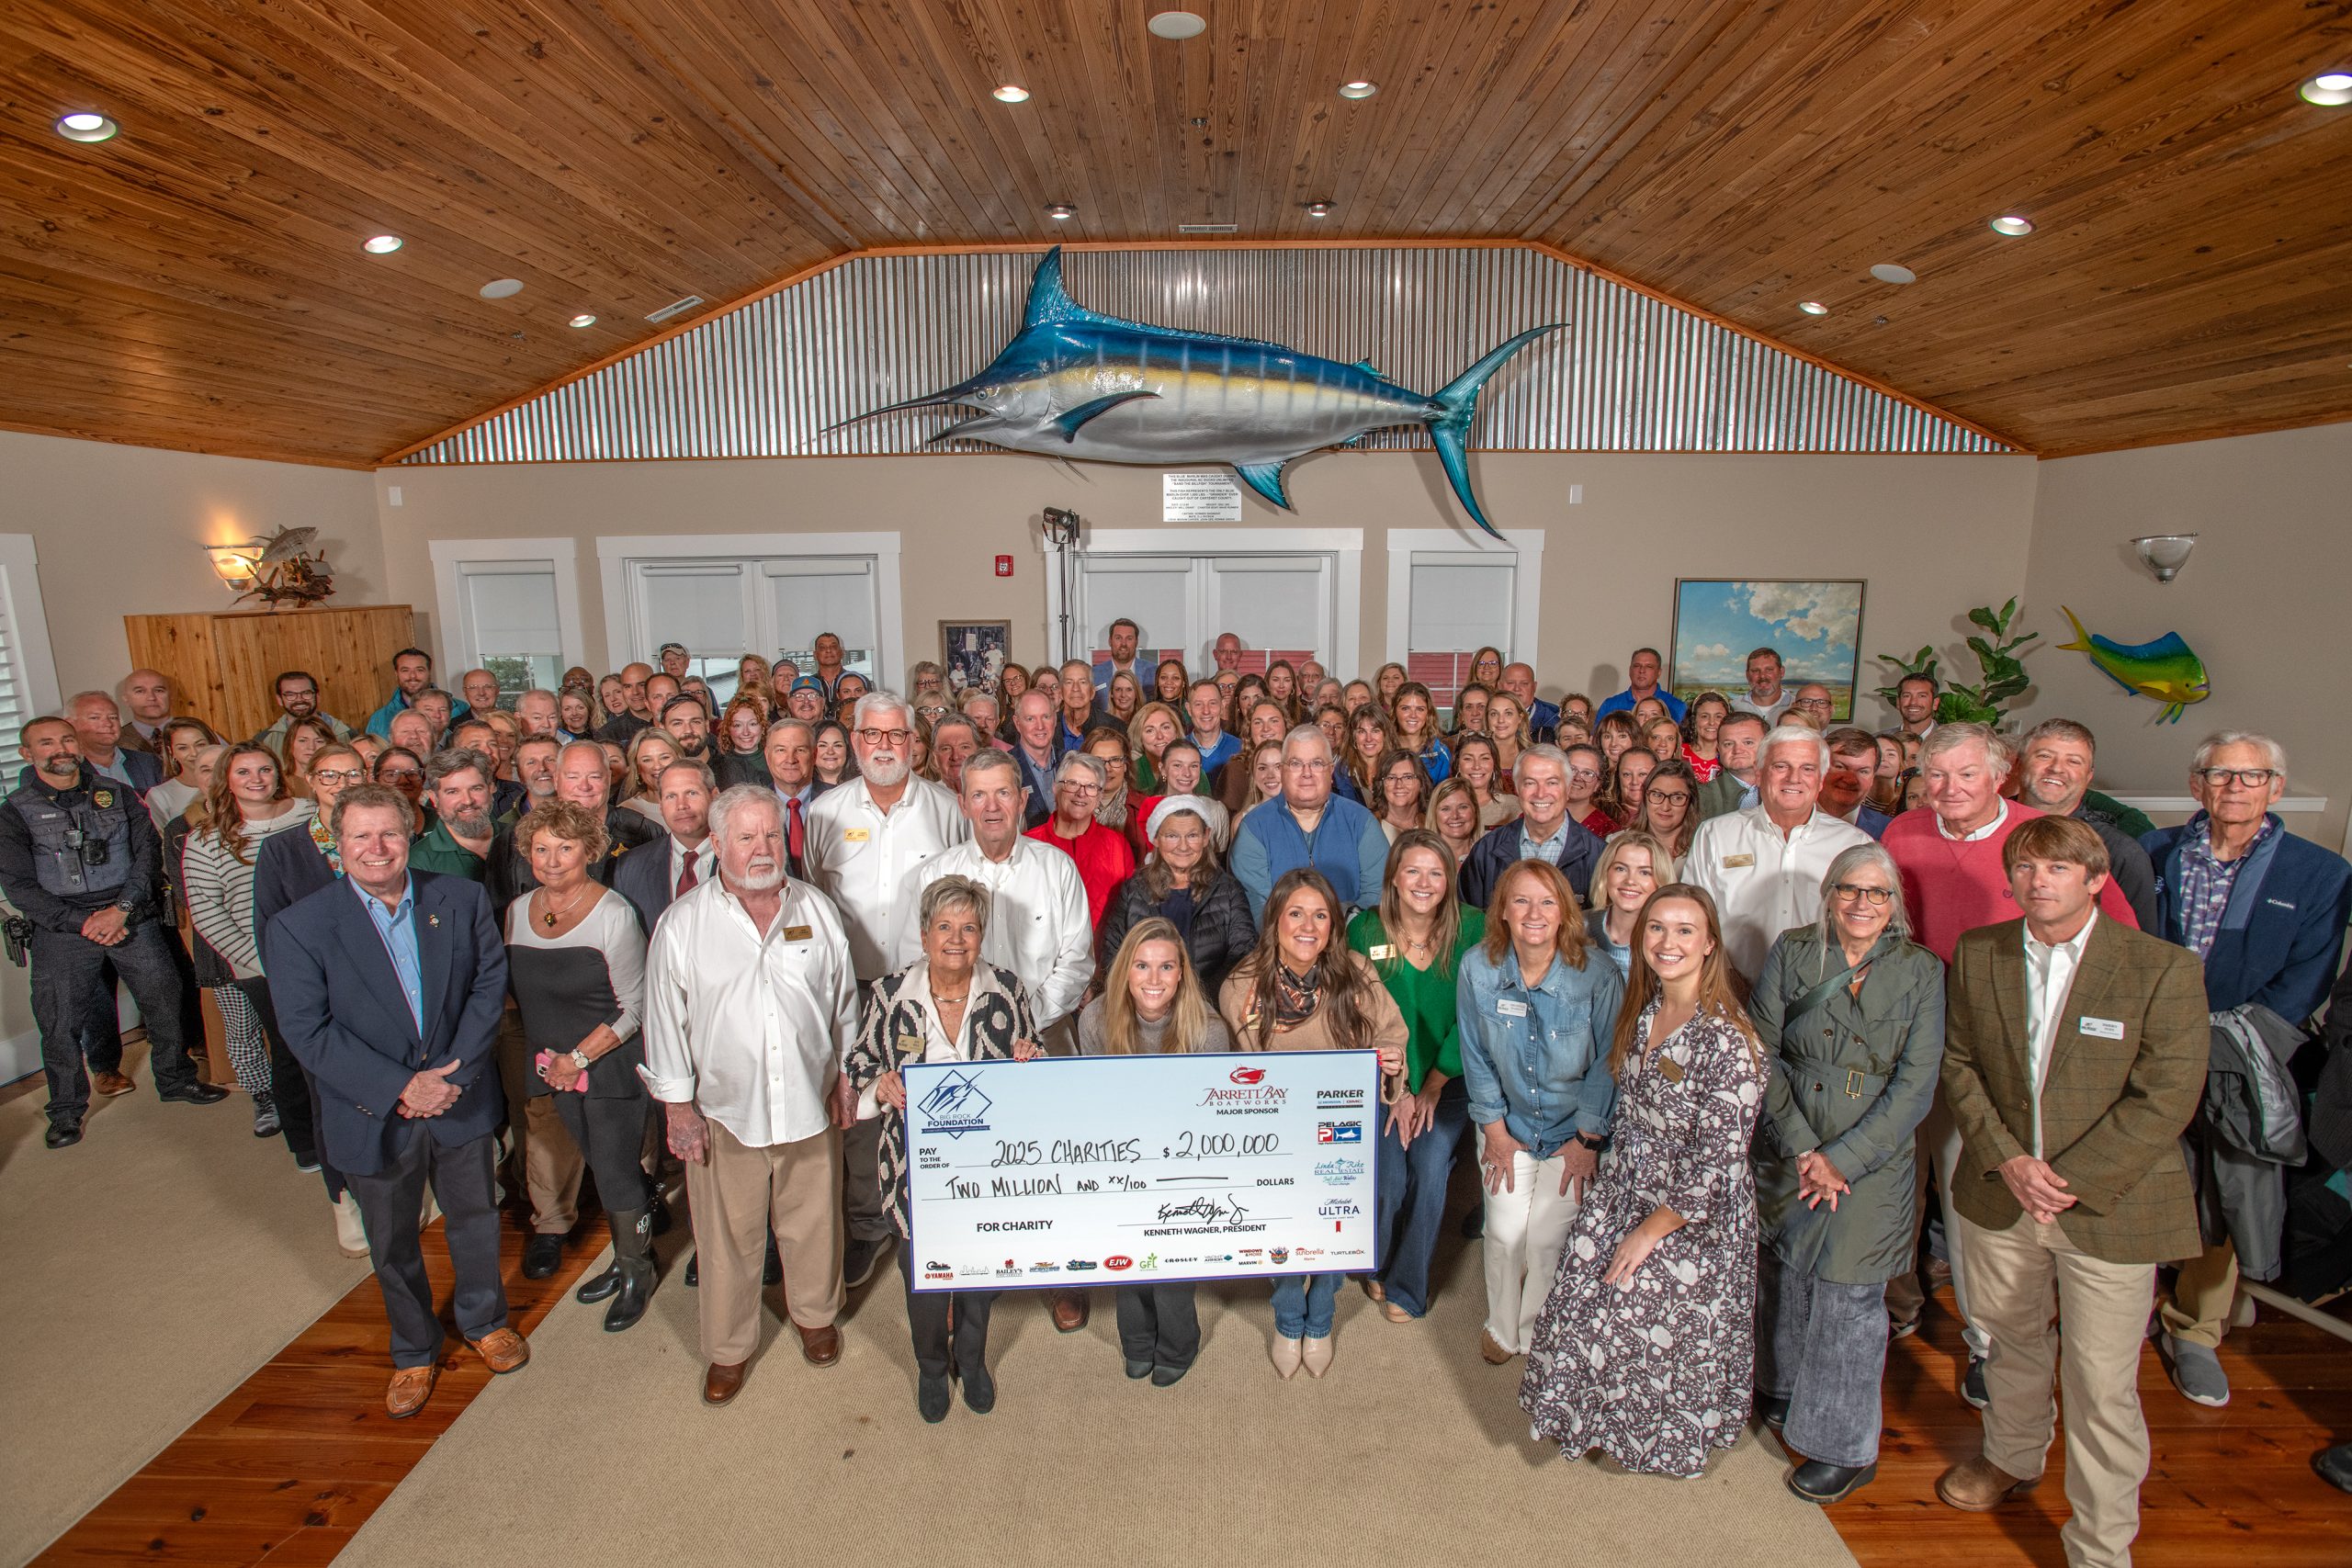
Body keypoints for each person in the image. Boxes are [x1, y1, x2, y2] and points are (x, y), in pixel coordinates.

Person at [1931, 817, 2209, 1563]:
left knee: (2101, 1380)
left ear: (2096, 879)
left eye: (2057, 867)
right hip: (2004, 1191)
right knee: (2011, 1341)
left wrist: (2070, 1179)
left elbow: (2167, 1095)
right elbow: (1960, 1064)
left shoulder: (2160, 967)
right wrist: (2009, 1160)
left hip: (2109, 1203)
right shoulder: (1981, 952)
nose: (2038, 879)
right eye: (2025, 866)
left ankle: (2100, 1542)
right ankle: (2012, 1455)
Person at [1880, 720, 2141, 1398]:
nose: (1949, 788)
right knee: (1893, 1188)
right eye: (1936, 774)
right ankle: (1895, 1306)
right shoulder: (1903, 833)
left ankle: (1988, 1343)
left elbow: (2118, 939)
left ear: (2002, 776)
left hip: (1994, 1057)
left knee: (1976, 1201)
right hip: (1905, 1042)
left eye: (1967, 774)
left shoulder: (2042, 840)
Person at [265, 784, 526, 1417]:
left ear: (411, 834)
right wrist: (402, 1086)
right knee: (392, 1240)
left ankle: (485, 1320)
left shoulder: (458, 898)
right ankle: (413, 1348)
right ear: (337, 843)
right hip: (372, 1111)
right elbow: (306, 1030)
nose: (377, 847)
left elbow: (488, 985)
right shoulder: (298, 926)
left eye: (389, 832)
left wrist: (450, 1076)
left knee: (475, 1217)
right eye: (361, 835)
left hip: (458, 1095)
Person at [1519, 884, 1766, 1477]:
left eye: (1685, 930)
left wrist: (1647, 1232)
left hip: (1693, 1213)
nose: (1668, 941)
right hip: (1628, 1180)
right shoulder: (1646, 1008)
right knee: (1577, 1291)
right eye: (1657, 927)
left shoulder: (1729, 1040)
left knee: (1633, 1307)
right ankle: (1592, 1418)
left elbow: (1716, 1167)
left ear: (1709, 944)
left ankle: (1654, 1435)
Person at [2142, 731, 2352, 1408]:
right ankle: (2143, 1300)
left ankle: (2195, 1328)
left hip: (2246, 1051)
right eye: (2220, 774)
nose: (2234, 787)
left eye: (2252, 776)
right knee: (2153, 1176)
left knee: (2226, 1188)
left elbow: (2308, 978)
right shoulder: (2153, 852)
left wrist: (2227, 1039)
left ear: (2276, 788)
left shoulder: (2319, 872)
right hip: (2152, 1042)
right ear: (2196, 784)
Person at [641, 785, 855, 1405]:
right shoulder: (683, 924)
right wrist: (678, 1109)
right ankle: (729, 1347)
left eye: (770, 835)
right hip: (724, 1113)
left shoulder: (816, 910)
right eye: (745, 836)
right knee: (727, 1238)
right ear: (716, 843)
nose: (762, 848)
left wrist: (847, 1076)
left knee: (814, 1221)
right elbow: (664, 1022)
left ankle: (815, 1315)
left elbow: (843, 1004)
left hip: (809, 1101)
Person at [1749, 844, 1944, 1504]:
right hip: (1793, 1136)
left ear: (1895, 904)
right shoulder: (1794, 950)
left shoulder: (1921, 969)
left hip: (1873, 1152)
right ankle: (1780, 1387)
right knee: (1784, 1270)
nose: (1862, 903)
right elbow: (1762, 1050)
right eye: (1849, 890)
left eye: (1877, 893)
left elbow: (1917, 1083)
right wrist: (1803, 1146)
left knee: (1849, 1295)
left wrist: (1843, 1158)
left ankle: (1843, 1447)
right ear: (1829, 894)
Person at [847, 876, 1044, 1420]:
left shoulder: (1007, 990)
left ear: (982, 935)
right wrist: (881, 1084)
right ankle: (932, 1366)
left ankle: (972, 1360)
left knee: (980, 1271)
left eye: (969, 927)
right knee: (924, 1278)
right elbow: (859, 1062)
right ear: (924, 935)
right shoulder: (889, 994)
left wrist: (1029, 1056)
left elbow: (1034, 1055)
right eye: (944, 926)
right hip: (914, 1166)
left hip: (989, 1166)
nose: (956, 939)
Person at [805, 691, 969, 1290]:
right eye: (871, 735)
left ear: (912, 743)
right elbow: (812, 896)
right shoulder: (825, 812)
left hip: (925, 985)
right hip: (850, 989)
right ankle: (868, 1227)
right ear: (854, 741)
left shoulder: (946, 808)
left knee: (936, 1103)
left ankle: (939, 1222)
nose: (883, 746)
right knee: (862, 1111)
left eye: (895, 735)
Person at [1218, 868, 1408, 1377]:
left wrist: (1390, 1061)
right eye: (1296, 913)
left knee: (1337, 1221)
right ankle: (1288, 1316)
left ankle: (1321, 1315)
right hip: (1275, 1132)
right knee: (1282, 1221)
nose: (1308, 926)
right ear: (1275, 920)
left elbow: (1392, 1034)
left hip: (1344, 1130)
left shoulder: (1357, 972)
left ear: (1333, 925)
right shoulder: (1241, 986)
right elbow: (1240, 1076)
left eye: (1320, 915)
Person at [0, 716, 224, 1145]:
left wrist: (119, 911)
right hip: (62, 927)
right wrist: (85, 922)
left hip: (129, 914)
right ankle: (66, 1110)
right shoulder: (13, 812)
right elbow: (19, 886)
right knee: (59, 1020)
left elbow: (147, 857)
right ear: (27, 754)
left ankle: (175, 1078)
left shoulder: (118, 794)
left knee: (164, 998)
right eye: (46, 743)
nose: (60, 749)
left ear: (78, 745)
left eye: (67, 739)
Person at [503, 800, 659, 1332]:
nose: (551, 860)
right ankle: (626, 1254)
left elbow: (635, 1006)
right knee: (599, 1163)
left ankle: (637, 1270)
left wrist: (579, 1057)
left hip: (608, 1063)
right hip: (554, 1068)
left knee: (615, 1169)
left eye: (564, 848)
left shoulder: (613, 913)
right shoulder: (516, 911)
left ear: (589, 851)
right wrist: (557, 1063)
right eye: (541, 848)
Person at [1459, 856, 1624, 1362]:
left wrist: (1587, 1141)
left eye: (1547, 902)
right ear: (1503, 911)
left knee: (1547, 1241)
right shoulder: (1477, 968)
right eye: (1521, 901)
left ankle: (1534, 1333)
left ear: (1565, 912)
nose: (1534, 913)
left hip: (1573, 1130)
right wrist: (1494, 1131)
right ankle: (1502, 1328)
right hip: (1505, 1123)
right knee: (1504, 1233)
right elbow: (1475, 1055)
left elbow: (1608, 1063)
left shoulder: (1598, 976)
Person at [1076, 918, 1231, 1382]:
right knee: (1126, 1255)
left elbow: (1212, 1123)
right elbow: (1092, 1104)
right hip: (1119, 1156)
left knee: (1171, 1263)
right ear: (1125, 969)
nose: (1154, 979)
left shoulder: (1209, 1030)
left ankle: (1180, 1343)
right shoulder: (1095, 1019)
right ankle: (1137, 1340)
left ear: (1182, 973)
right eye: (1142, 966)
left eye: (1166, 966)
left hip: (1184, 1163)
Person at [1345, 830, 1483, 1324]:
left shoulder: (1475, 928)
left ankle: (1408, 1286)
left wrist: (1432, 1087)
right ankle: (1375, 1263)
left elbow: (1478, 1015)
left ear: (1449, 879)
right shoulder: (1365, 930)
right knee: (1388, 1178)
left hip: (1448, 1077)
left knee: (1428, 1168)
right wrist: (1399, 1089)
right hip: (1383, 1080)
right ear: (1394, 878)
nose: (1423, 883)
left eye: (1435, 872)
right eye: (1412, 871)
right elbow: (1356, 1014)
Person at [891, 750, 1091, 1063]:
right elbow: (914, 958)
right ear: (963, 805)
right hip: (955, 1046)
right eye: (979, 795)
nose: (992, 806)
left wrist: (1023, 1019)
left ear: (1022, 800)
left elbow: (1076, 963)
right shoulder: (936, 873)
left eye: (1003, 793)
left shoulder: (1058, 868)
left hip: (1042, 1039)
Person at [181, 742, 316, 1142]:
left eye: (264, 769)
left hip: (324, 953)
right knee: (289, 1049)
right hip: (260, 964)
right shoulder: (205, 840)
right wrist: (266, 962)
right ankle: (304, 1140)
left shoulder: (309, 814)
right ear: (226, 779)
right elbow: (207, 915)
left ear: (278, 773)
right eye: (243, 772)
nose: (256, 779)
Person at [1686, 725, 1874, 981]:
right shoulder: (1715, 835)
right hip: (1731, 991)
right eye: (1781, 766)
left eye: (1807, 769)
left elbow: (1866, 930)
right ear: (1759, 773)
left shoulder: (1854, 845)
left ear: (1821, 780)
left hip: (1823, 992)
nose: (1793, 778)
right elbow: (1693, 920)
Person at [1230, 726, 1391, 916]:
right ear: (1283, 771)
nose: (1306, 773)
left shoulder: (1361, 822)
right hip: (1277, 934)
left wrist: (1335, 927)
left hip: (1351, 933)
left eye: (1317, 763)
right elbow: (1256, 907)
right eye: (1296, 763)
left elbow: (1377, 897)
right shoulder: (1254, 828)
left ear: (1331, 771)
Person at [2013, 719, 2157, 929]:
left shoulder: (2118, 851)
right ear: (2018, 765)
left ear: (2089, 776)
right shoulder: (1981, 827)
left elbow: (2142, 941)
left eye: (2073, 761)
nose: (2056, 768)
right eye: (2044, 756)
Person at [1459, 745, 1603, 909]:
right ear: (1517, 789)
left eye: (1552, 782)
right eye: (1530, 783)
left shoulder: (1599, 856)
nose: (1540, 793)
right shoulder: (1485, 850)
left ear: (1568, 788)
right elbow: (1468, 918)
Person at [1024, 750, 1134, 928]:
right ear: (1055, 789)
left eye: (1091, 786)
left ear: (1099, 797)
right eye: (1072, 783)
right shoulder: (1027, 845)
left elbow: (1129, 913)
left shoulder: (1118, 846)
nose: (1081, 793)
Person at [611, 759, 715, 932]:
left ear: (715, 795)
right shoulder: (629, 867)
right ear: (660, 805)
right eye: (671, 796)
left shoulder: (742, 858)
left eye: (691, 793)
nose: (681, 805)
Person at [1584, 830, 1666, 978]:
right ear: (1605, 873)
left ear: (1660, 880)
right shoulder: (1578, 925)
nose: (1630, 881)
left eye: (1645, 872)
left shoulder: (1668, 942)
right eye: (1620, 869)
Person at [407, 748, 498, 879]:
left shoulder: (518, 838)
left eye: (476, 788)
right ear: (434, 798)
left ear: (491, 789)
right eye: (453, 792)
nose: (467, 801)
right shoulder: (418, 862)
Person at [68, 691, 164, 793]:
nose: (108, 724)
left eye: (113, 717)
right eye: (95, 718)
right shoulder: (67, 770)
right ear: (70, 724)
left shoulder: (148, 762)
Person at [146, 716, 223, 831]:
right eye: (183, 748)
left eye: (200, 745)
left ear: (212, 744)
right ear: (171, 752)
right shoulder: (159, 796)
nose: (194, 753)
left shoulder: (235, 784)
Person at [1818, 726, 1894, 840]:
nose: (1850, 780)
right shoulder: (1792, 820)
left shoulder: (1889, 830)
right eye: (1840, 767)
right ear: (1819, 768)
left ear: (1873, 778)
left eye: (1863, 771)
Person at [254, 670, 354, 751]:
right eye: (290, 695)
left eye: (306, 693)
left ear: (317, 696)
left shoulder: (348, 735)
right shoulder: (265, 741)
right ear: (279, 700)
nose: (299, 699)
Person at [1629, 755, 1700, 869]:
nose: (1665, 807)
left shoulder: (1703, 847)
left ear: (1690, 801)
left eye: (1677, 797)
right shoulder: (1618, 843)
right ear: (1645, 796)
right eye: (1657, 795)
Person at [1696, 711, 1768, 820]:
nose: (1738, 750)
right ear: (1718, 750)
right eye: (1728, 744)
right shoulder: (1700, 796)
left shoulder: (1785, 790)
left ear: (1767, 746)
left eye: (1748, 742)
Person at [364, 648, 439, 739]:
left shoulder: (454, 710)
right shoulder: (379, 719)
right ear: (396, 674)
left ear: (429, 672)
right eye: (405, 670)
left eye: (419, 670)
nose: (412, 676)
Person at [1598, 647, 1687, 722]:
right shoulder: (1610, 705)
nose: (1642, 670)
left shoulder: (1677, 707)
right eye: (1637, 666)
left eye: (1649, 667)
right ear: (1630, 670)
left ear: (1659, 672)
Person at [1370, 748, 1429, 843]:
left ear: (1422, 783)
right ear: (1381, 784)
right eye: (1391, 778)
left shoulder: (1434, 824)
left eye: (1408, 777)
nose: (1399, 785)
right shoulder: (1368, 824)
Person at [1594, 744, 1655, 833]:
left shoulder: (1668, 816)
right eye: (1627, 774)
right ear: (1618, 777)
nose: (1634, 782)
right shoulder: (1601, 815)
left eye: (1642, 774)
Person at [1185, 679, 1238, 776]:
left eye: (1212, 703)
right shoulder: (1176, 750)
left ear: (1222, 706)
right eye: (1198, 704)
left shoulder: (1240, 749)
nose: (1206, 711)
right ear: (1189, 709)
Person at [1424, 776, 1481, 867]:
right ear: (1434, 814)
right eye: (1445, 809)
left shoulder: (1487, 855)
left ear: (1475, 810)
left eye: (1463, 807)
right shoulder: (1422, 857)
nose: (1455, 816)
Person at [1729, 647, 1794, 725]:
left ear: (1782, 672)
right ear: (1747, 675)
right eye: (1755, 671)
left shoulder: (1796, 706)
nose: (1762, 676)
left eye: (1769, 670)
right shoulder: (1733, 708)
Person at [117, 667, 176, 750]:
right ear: (126, 699)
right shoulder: (115, 742)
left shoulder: (194, 730)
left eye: (158, 690)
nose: (151, 697)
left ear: (170, 696)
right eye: (140, 691)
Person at [1680, 691, 1729, 782]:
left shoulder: (1733, 755)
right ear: (1694, 720)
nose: (1711, 722)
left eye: (1718, 716)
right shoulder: (1678, 752)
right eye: (1705, 716)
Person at [1894, 672, 1939, 739]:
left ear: (1935, 703)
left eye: (1922, 696)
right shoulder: (1880, 741)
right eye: (1907, 696)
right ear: (1898, 702)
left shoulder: (1951, 741)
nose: (1913, 702)